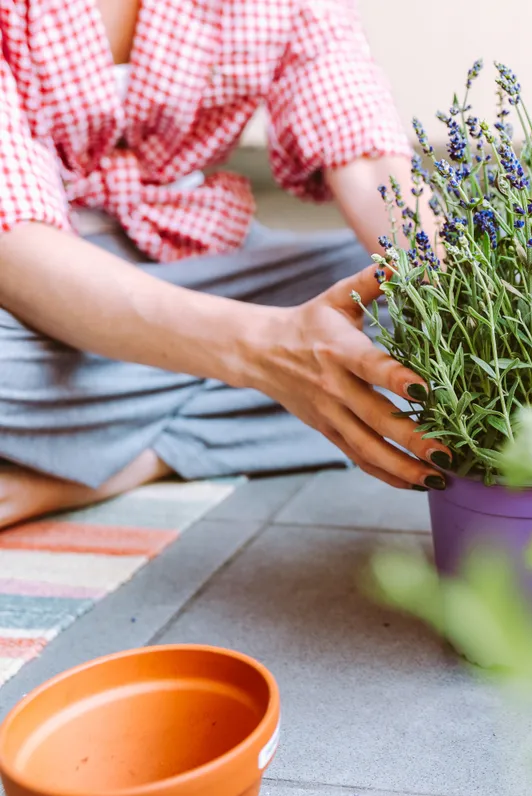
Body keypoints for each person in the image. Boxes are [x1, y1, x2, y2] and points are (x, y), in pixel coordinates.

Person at [0, 0, 449, 531]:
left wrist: (459, 306)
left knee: (396, 302)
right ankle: (227, 414)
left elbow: (366, 153)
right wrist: (266, 348)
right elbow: (15, 242)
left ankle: (114, 465)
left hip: (199, 255)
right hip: (31, 276)